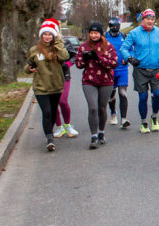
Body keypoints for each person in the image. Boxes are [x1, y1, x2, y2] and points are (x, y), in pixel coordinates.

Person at [120, 8, 159, 134]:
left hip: (157, 69)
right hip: (140, 69)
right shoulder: (134, 33)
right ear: (142, 20)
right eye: (147, 19)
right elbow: (124, 48)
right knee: (143, 97)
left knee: (158, 95)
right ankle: (143, 122)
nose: (150, 21)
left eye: (152, 19)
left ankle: (154, 117)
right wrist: (130, 58)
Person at [25, 19, 70, 151]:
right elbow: (26, 67)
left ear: (54, 35)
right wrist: (29, 68)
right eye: (45, 34)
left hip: (56, 86)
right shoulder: (34, 50)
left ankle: (49, 131)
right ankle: (49, 138)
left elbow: (65, 57)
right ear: (41, 35)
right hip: (41, 87)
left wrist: (58, 43)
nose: (47, 36)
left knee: (53, 112)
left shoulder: (58, 49)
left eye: (50, 34)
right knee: (47, 112)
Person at [75, 22, 118, 149]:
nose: (94, 35)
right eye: (92, 33)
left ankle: (101, 132)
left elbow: (113, 63)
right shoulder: (83, 47)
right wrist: (85, 59)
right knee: (93, 107)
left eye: (96, 33)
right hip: (89, 81)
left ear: (101, 34)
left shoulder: (108, 46)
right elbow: (78, 64)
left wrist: (98, 58)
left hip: (105, 81)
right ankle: (93, 136)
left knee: (102, 108)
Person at [52, 27, 80, 139]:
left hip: (64, 76)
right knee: (54, 103)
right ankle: (59, 127)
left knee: (62, 101)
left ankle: (68, 125)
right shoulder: (43, 45)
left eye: (51, 32)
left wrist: (68, 64)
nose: (49, 35)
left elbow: (74, 56)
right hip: (50, 78)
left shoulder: (65, 42)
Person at [105, 17, 131, 129]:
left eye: (117, 26)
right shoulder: (105, 37)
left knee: (123, 93)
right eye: (113, 26)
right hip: (109, 70)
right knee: (111, 94)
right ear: (110, 27)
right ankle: (113, 113)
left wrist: (127, 58)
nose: (115, 28)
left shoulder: (124, 36)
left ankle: (124, 119)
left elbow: (130, 49)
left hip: (122, 69)